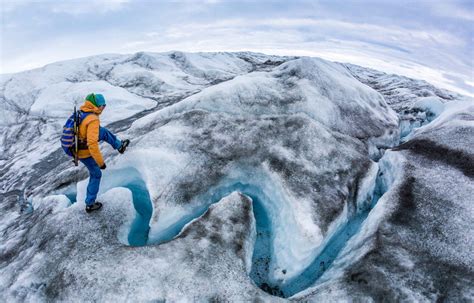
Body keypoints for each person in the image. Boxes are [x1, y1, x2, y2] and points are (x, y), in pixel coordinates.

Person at [77, 93, 130, 213]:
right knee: (96, 174)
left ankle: (119, 145)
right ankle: (90, 204)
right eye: (102, 105)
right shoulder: (92, 119)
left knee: (103, 131)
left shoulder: (81, 113)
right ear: (96, 105)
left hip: (76, 146)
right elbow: (92, 144)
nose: (103, 108)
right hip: (83, 151)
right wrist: (101, 163)